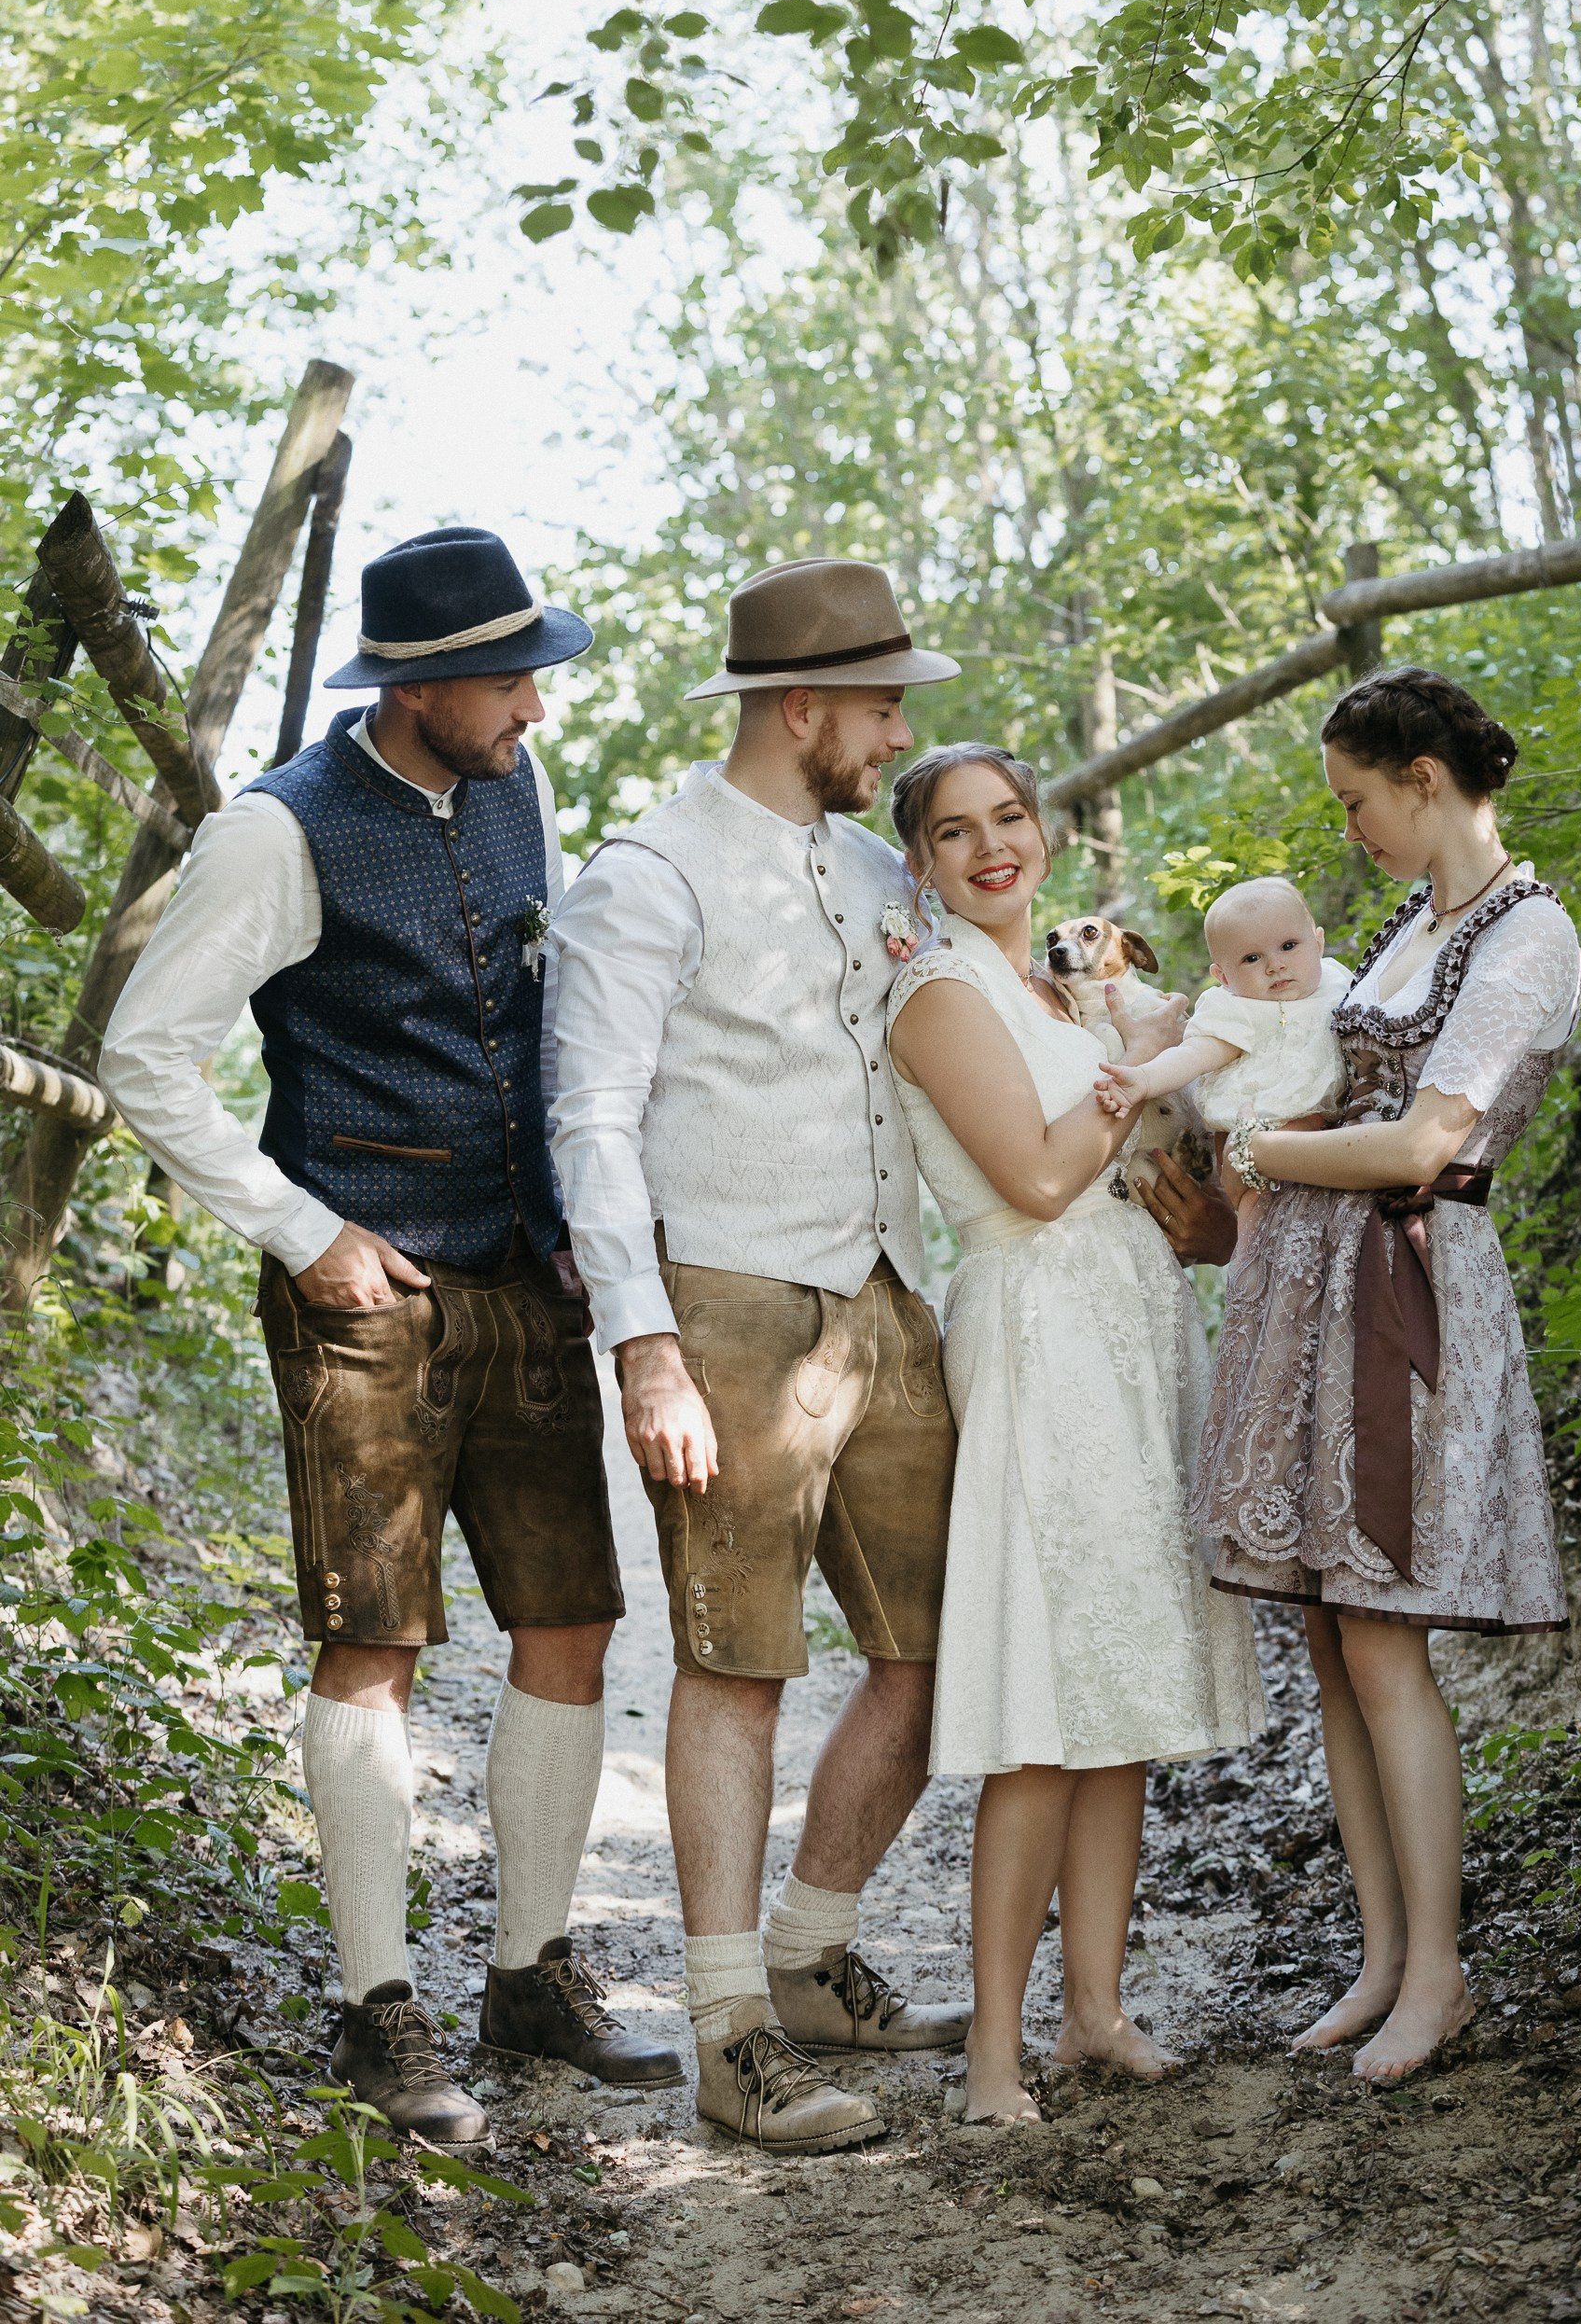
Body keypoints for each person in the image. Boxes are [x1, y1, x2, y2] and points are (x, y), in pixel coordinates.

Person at [101, 527, 679, 2144]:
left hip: (524, 1268)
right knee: (376, 1645)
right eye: (511, 682)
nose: (534, 714)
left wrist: (584, 1229)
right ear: (418, 687)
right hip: (366, 1296)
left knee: (571, 1620)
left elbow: (546, 1014)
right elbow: (150, 1056)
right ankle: (378, 2009)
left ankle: (527, 1976)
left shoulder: (511, 787)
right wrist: (307, 1235)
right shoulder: (275, 834)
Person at [549, 558, 975, 2153]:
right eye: (879, 707)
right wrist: (642, 1344)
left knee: (933, 1655)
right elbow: (588, 1116)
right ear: (803, 709)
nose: (895, 732)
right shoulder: (646, 873)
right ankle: (729, 2028)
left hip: (882, 1302)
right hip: (723, 1304)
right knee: (738, 1663)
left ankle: (807, 1957)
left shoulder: (875, 872)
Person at [1196, 665, 1580, 2081]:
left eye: (1356, 798)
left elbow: (1424, 1146)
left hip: (1407, 1290)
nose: (1346, 826)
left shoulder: (1524, 936)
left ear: (1424, 777)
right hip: (1317, 1292)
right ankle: (1379, 1955)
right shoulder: (1411, 928)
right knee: (1325, 1632)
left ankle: (1439, 1973)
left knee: (1379, 1636)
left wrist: (1257, 1156)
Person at [886, 743, 1267, 2125]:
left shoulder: (1068, 983)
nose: (992, 848)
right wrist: (1135, 1057)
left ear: (1039, 831)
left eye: (1008, 820)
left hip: (1131, 1315)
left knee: (1120, 1696)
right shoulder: (936, 992)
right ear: (920, 861)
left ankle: (1093, 2013)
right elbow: (1043, 1177)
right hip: (1038, 1323)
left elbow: (1181, 1201)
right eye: (952, 832)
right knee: (1044, 1703)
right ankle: (994, 2054)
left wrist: (1203, 1215)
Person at [1094, 875, 1351, 1233]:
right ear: (1223, 976)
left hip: (1344, 1132)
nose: (1274, 965)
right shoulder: (1237, 1009)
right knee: (1274, 1233)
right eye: (1251, 958)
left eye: (1289, 945)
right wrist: (1145, 1078)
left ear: (1319, 942)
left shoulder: (1340, 982)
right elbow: (1195, 1054)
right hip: (1265, 1141)